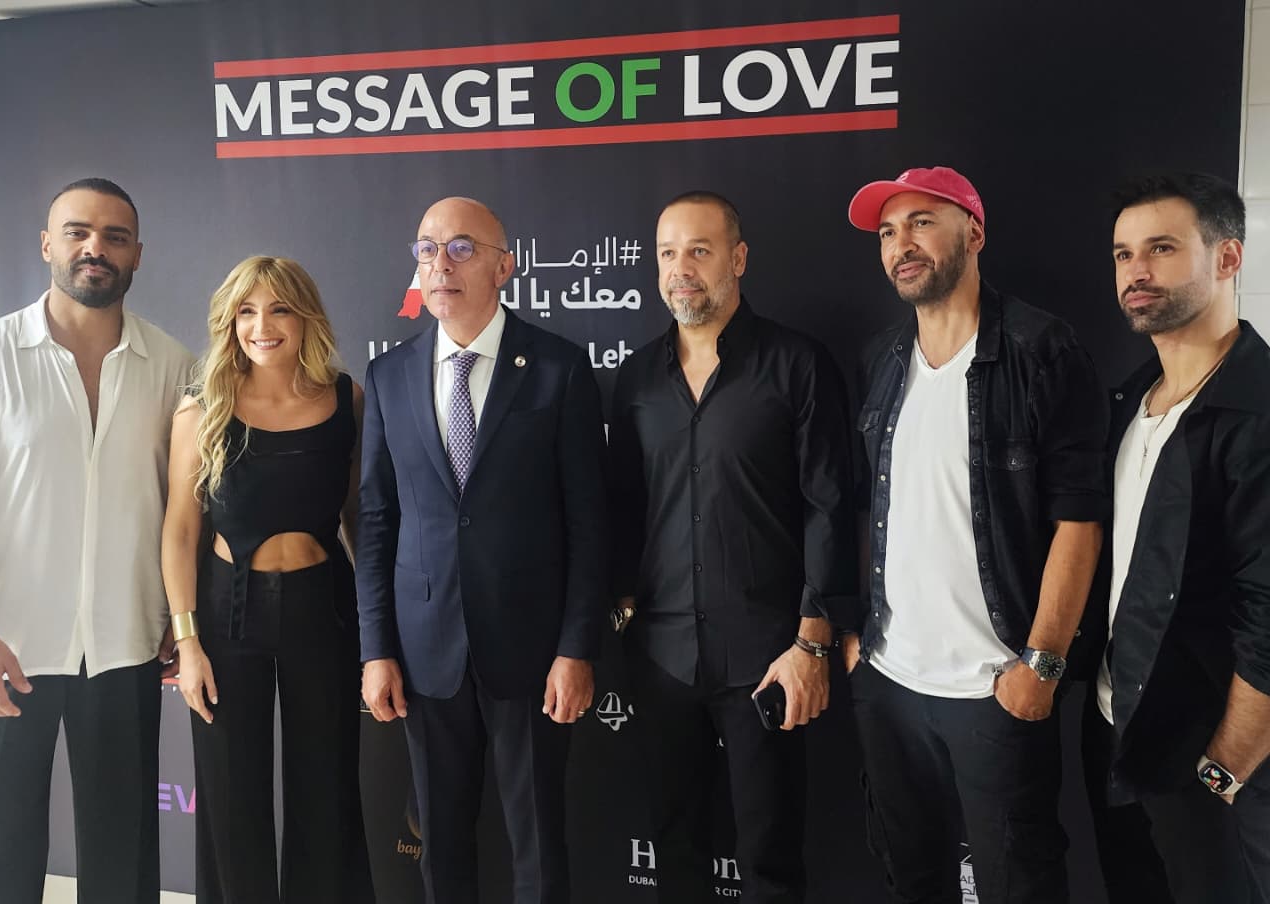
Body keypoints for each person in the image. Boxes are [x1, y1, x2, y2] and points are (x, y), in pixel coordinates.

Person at [846, 166, 1108, 902]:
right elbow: (869, 509)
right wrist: (857, 640)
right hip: (890, 683)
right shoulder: (880, 360)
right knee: (912, 880)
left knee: (1018, 884)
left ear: (975, 233)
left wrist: (1042, 666)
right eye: (888, 232)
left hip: (994, 688)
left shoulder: (1040, 350)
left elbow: (1080, 521)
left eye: (922, 223)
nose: (901, 244)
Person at [355, 197, 610, 904]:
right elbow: (375, 522)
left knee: (538, 845)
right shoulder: (389, 376)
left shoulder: (558, 368)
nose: (441, 264)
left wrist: (576, 648)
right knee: (439, 844)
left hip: (532, 650)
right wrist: (376, 650)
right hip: (425, 651)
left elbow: (590, 523)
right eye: (427, 249)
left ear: (505, 266)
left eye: (462, 248)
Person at [607, 190, 855, 903]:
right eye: (667, 253)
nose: (680, 269)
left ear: (738, 259)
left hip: (769, 657)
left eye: (699, 250)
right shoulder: (636, 378)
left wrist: (811, 642)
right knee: (674, 848)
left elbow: (830, 508)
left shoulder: (798, 364)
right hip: (661, 656)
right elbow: (622, 506)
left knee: (770, 859)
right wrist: (623, 609)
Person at [0, 177, 194, 903]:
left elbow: (187, 508)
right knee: (1, 851)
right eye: (77, 232)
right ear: (48, 243)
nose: (94, 248)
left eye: (114, 236)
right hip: (9, 648)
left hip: (126, 646)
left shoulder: (174, 366)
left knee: (123, 860)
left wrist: (180, 617)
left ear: (138, 254)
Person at [1082, 171, 1270, 903]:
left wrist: (1226, 769)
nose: (1136, 271)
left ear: (1228, 257)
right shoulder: (1130, 400)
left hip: (1213, 761)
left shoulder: (1257, 413)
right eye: (1123, 254)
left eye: (1161, 248)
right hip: (1122, 730)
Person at [161, 255, 373, 903]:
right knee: (230, 795)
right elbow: (180, 532)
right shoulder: (202, 409)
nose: (262, 326)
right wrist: (188, 643)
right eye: (247, 312)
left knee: (327, 788)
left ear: (306, 318)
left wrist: (379, 634)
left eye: (279, 309)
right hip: (227, 614)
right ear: (230, 323)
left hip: (324, 610)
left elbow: (359, 519)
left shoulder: (347, 400)